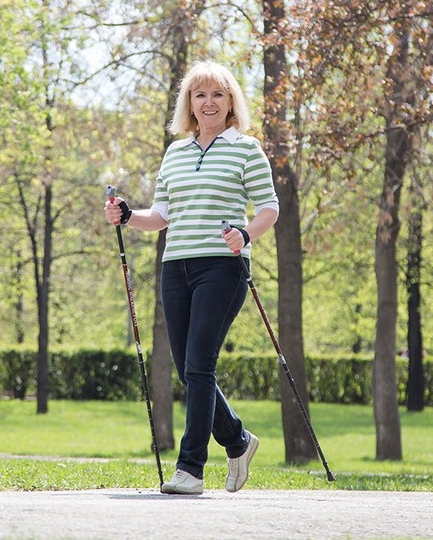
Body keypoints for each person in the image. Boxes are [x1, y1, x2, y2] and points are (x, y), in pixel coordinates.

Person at [104, 61, 279, 495]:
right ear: (189, 104)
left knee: (200, 365)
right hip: (175, 267)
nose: (208, 102)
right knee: (189, 370)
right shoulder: (176, 153)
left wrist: (245, 233)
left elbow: (269, 209)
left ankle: (190, 470)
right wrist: (128, 215)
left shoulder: (246, 149)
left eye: (217, 94)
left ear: (230, 101)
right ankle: (238, 442)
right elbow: (160, 216)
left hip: (222, 266)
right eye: (199, 95)